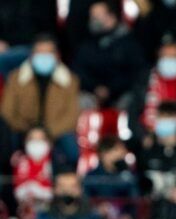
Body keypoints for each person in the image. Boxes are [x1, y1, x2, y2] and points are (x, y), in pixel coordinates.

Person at [1, 34, 80, 170]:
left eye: (48, 52)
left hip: (55, 131)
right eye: (39, 52)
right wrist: (29, 132)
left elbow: (72, 116)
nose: (43, 57)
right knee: (5, 145)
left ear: (57, 55)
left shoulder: (70, 80)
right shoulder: (16, 77)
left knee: (72, 152)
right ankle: (9, 186)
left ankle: (65, 185)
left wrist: (48, 134)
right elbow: (7, 111)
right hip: (22, 129)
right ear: (31, 55)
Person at [72, 0, 146, 110]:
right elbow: (78, 70)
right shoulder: (87, 44)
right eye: (92, 16)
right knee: (78, 102)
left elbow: (137, 73)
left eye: (97, 16)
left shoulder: (129, 43)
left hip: (121, 94)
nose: (93, 20)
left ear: (111, 16)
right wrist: (95, 88)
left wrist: (110, 89)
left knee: (131, 101)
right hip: (92, 94)